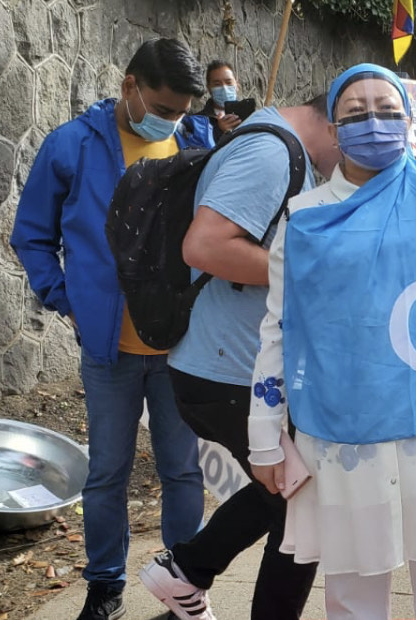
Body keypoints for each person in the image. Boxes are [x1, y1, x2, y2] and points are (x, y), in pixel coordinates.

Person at [246, 0, 416, 620]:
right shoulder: (301, 220)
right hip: (341, 430)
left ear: (406, 118)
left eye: (384, 106)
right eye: (355, 110)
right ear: (333, 128)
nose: (371, 119)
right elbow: (278, 330)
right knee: (354, 599)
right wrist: (265, 437)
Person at [10, 38, 212, 620]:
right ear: (130, 86)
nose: (171, 119)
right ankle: (105, 586)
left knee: (182, 469)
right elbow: (32, 236)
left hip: (181, 345)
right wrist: (66, 299)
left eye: (181, 111)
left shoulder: (197, 145)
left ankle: (184, 584)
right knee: (106, 475)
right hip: (109, 350)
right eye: (164, 106)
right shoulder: (72, 146)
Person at [139, 92, 342, 620]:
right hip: (226, 373)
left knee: (291, 494)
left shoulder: (283, 147)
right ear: (339, 126)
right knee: (304, 508)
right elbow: (204, 246)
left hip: (233, 369)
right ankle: (188, 569)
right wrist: (310, 271)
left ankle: (186, 570)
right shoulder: (273, 153)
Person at [201, 60, 249, 135]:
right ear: (208, 88)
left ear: (237, 85)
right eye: (217, 84)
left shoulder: (250, 117)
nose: (224, 88)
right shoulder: (198, 122)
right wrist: (219, 131)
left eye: (228, 82)